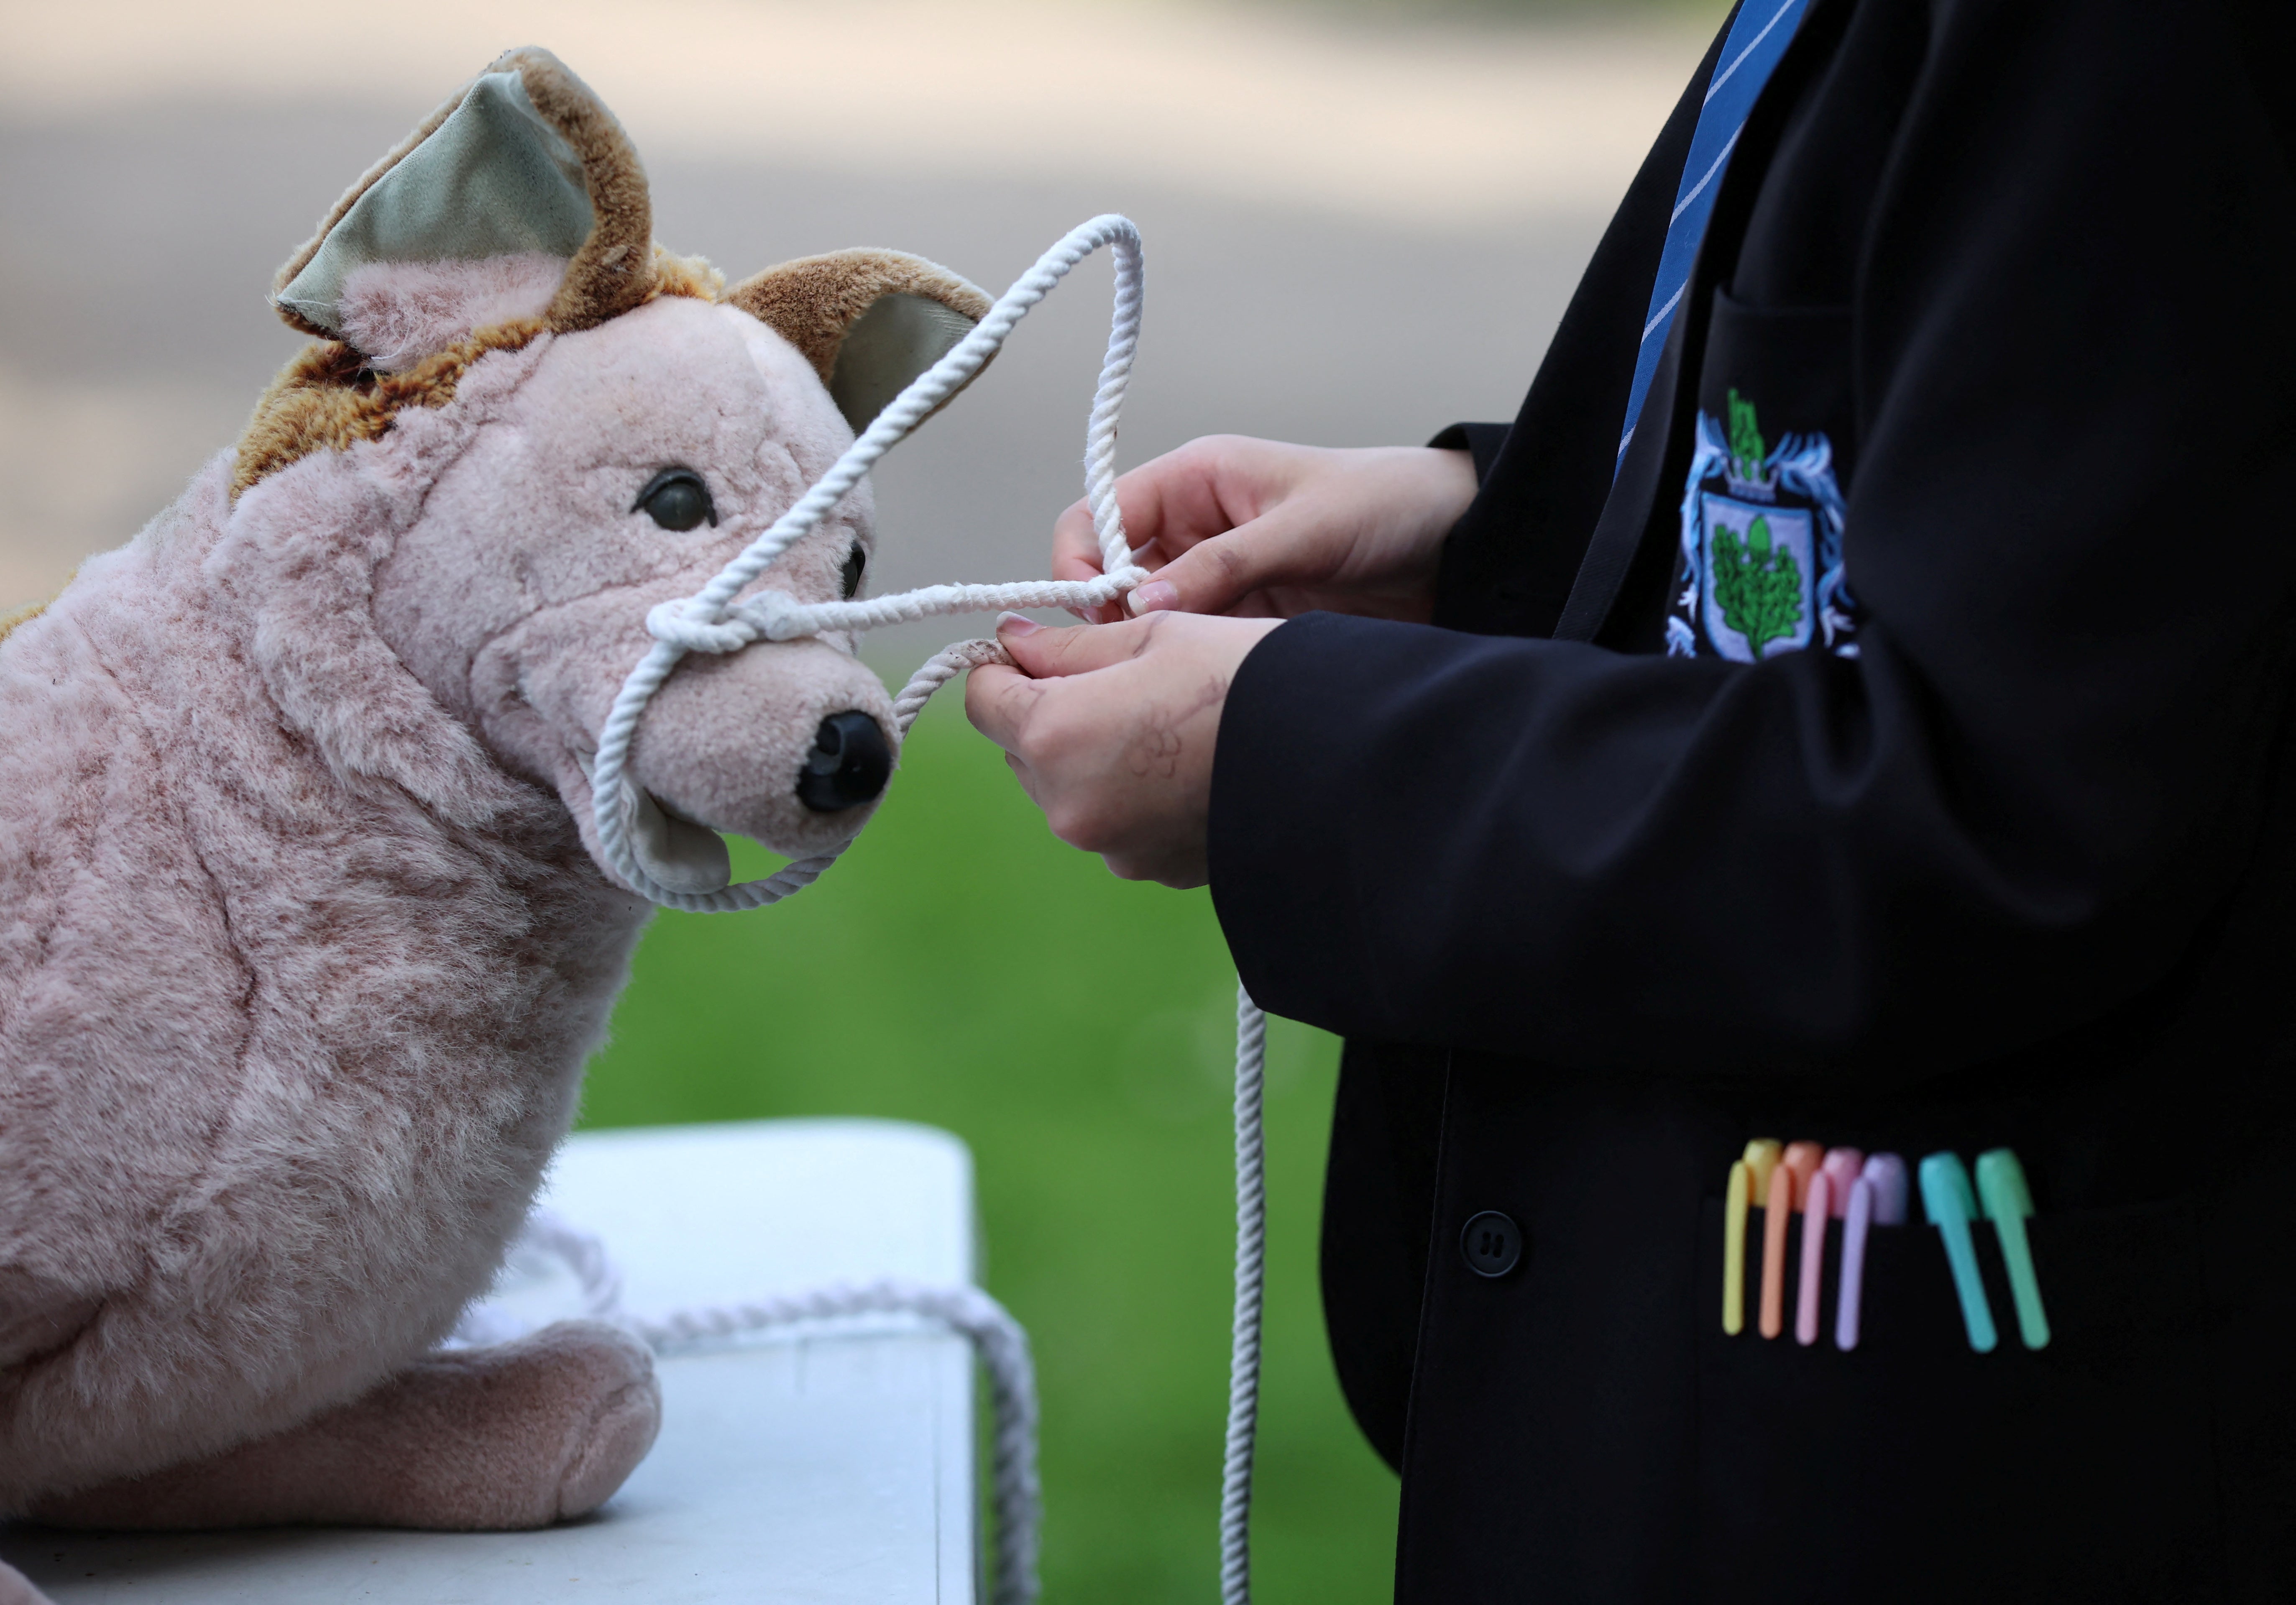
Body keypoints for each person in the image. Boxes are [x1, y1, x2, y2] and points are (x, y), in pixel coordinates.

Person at [965, 0, 2296, 1596]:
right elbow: (1983, 482)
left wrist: (1290, 754)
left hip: (1946, 1478)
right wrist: (1491, 535)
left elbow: (2000, 791)